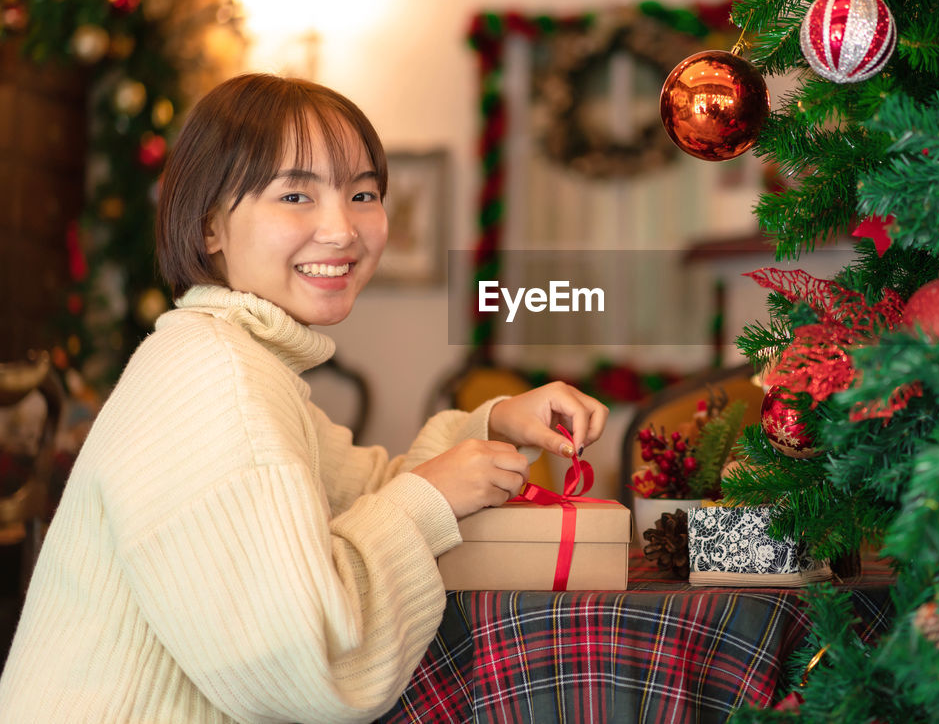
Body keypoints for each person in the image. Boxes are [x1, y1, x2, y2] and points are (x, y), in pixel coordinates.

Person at [0, 73, 608, 722]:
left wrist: (498, 424)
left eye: (363, 193)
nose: (342, 229)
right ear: (210, 227)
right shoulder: (216, 380)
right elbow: (312, 668)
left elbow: (373, 491)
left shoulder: (230, 357)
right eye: (295, 194)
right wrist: (427, 497)